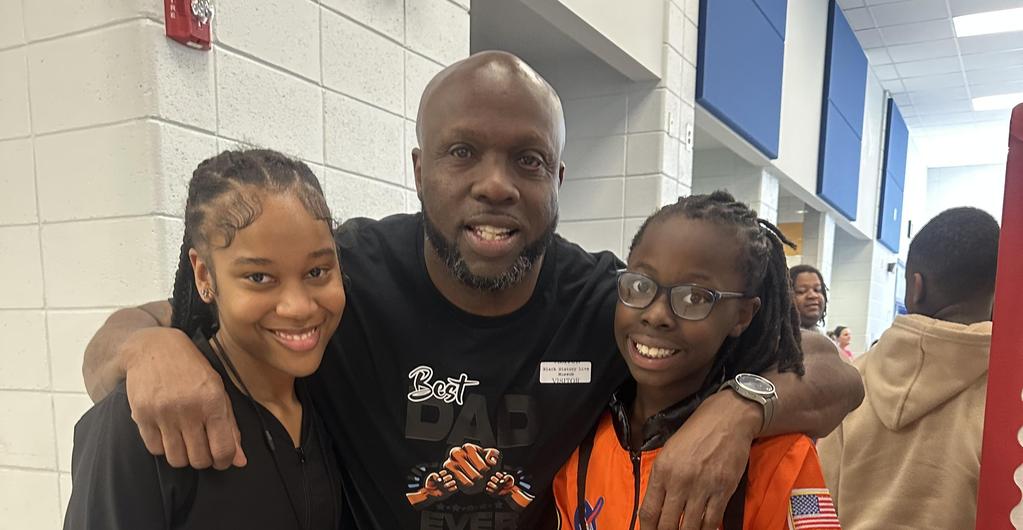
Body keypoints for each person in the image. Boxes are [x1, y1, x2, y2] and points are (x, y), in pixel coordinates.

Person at [80, 51, 863, 530]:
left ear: (557, 179)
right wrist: (149, 346)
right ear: (420, 170)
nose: (495, 184)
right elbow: (125, 340)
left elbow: (832, 370)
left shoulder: (605, 301)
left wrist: (739, 407)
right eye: (462, 153)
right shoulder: (342, 276)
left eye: (527, 160)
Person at [65, 150, 345, 529]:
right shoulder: (145, 419)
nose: (298, 307)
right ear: (204, 276)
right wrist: (142, 344)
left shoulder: (331, 389)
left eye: (316, 271)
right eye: (259, 277)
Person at [553, 192, 841, 530]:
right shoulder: (582, 438)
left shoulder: (778, 458)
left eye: (695, 297)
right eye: (640, 285)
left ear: (742, 315)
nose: (656, 314)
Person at [817, 207, 1000, 529]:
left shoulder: (854, 380)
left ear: (916, 287)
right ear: (998, 293)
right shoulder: (1008, 395)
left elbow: (818, 500)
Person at [789, 265, 828, 331]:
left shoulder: (819, 334)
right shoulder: (778, 335)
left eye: (817, 290)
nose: (813, 295)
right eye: (801, 291)